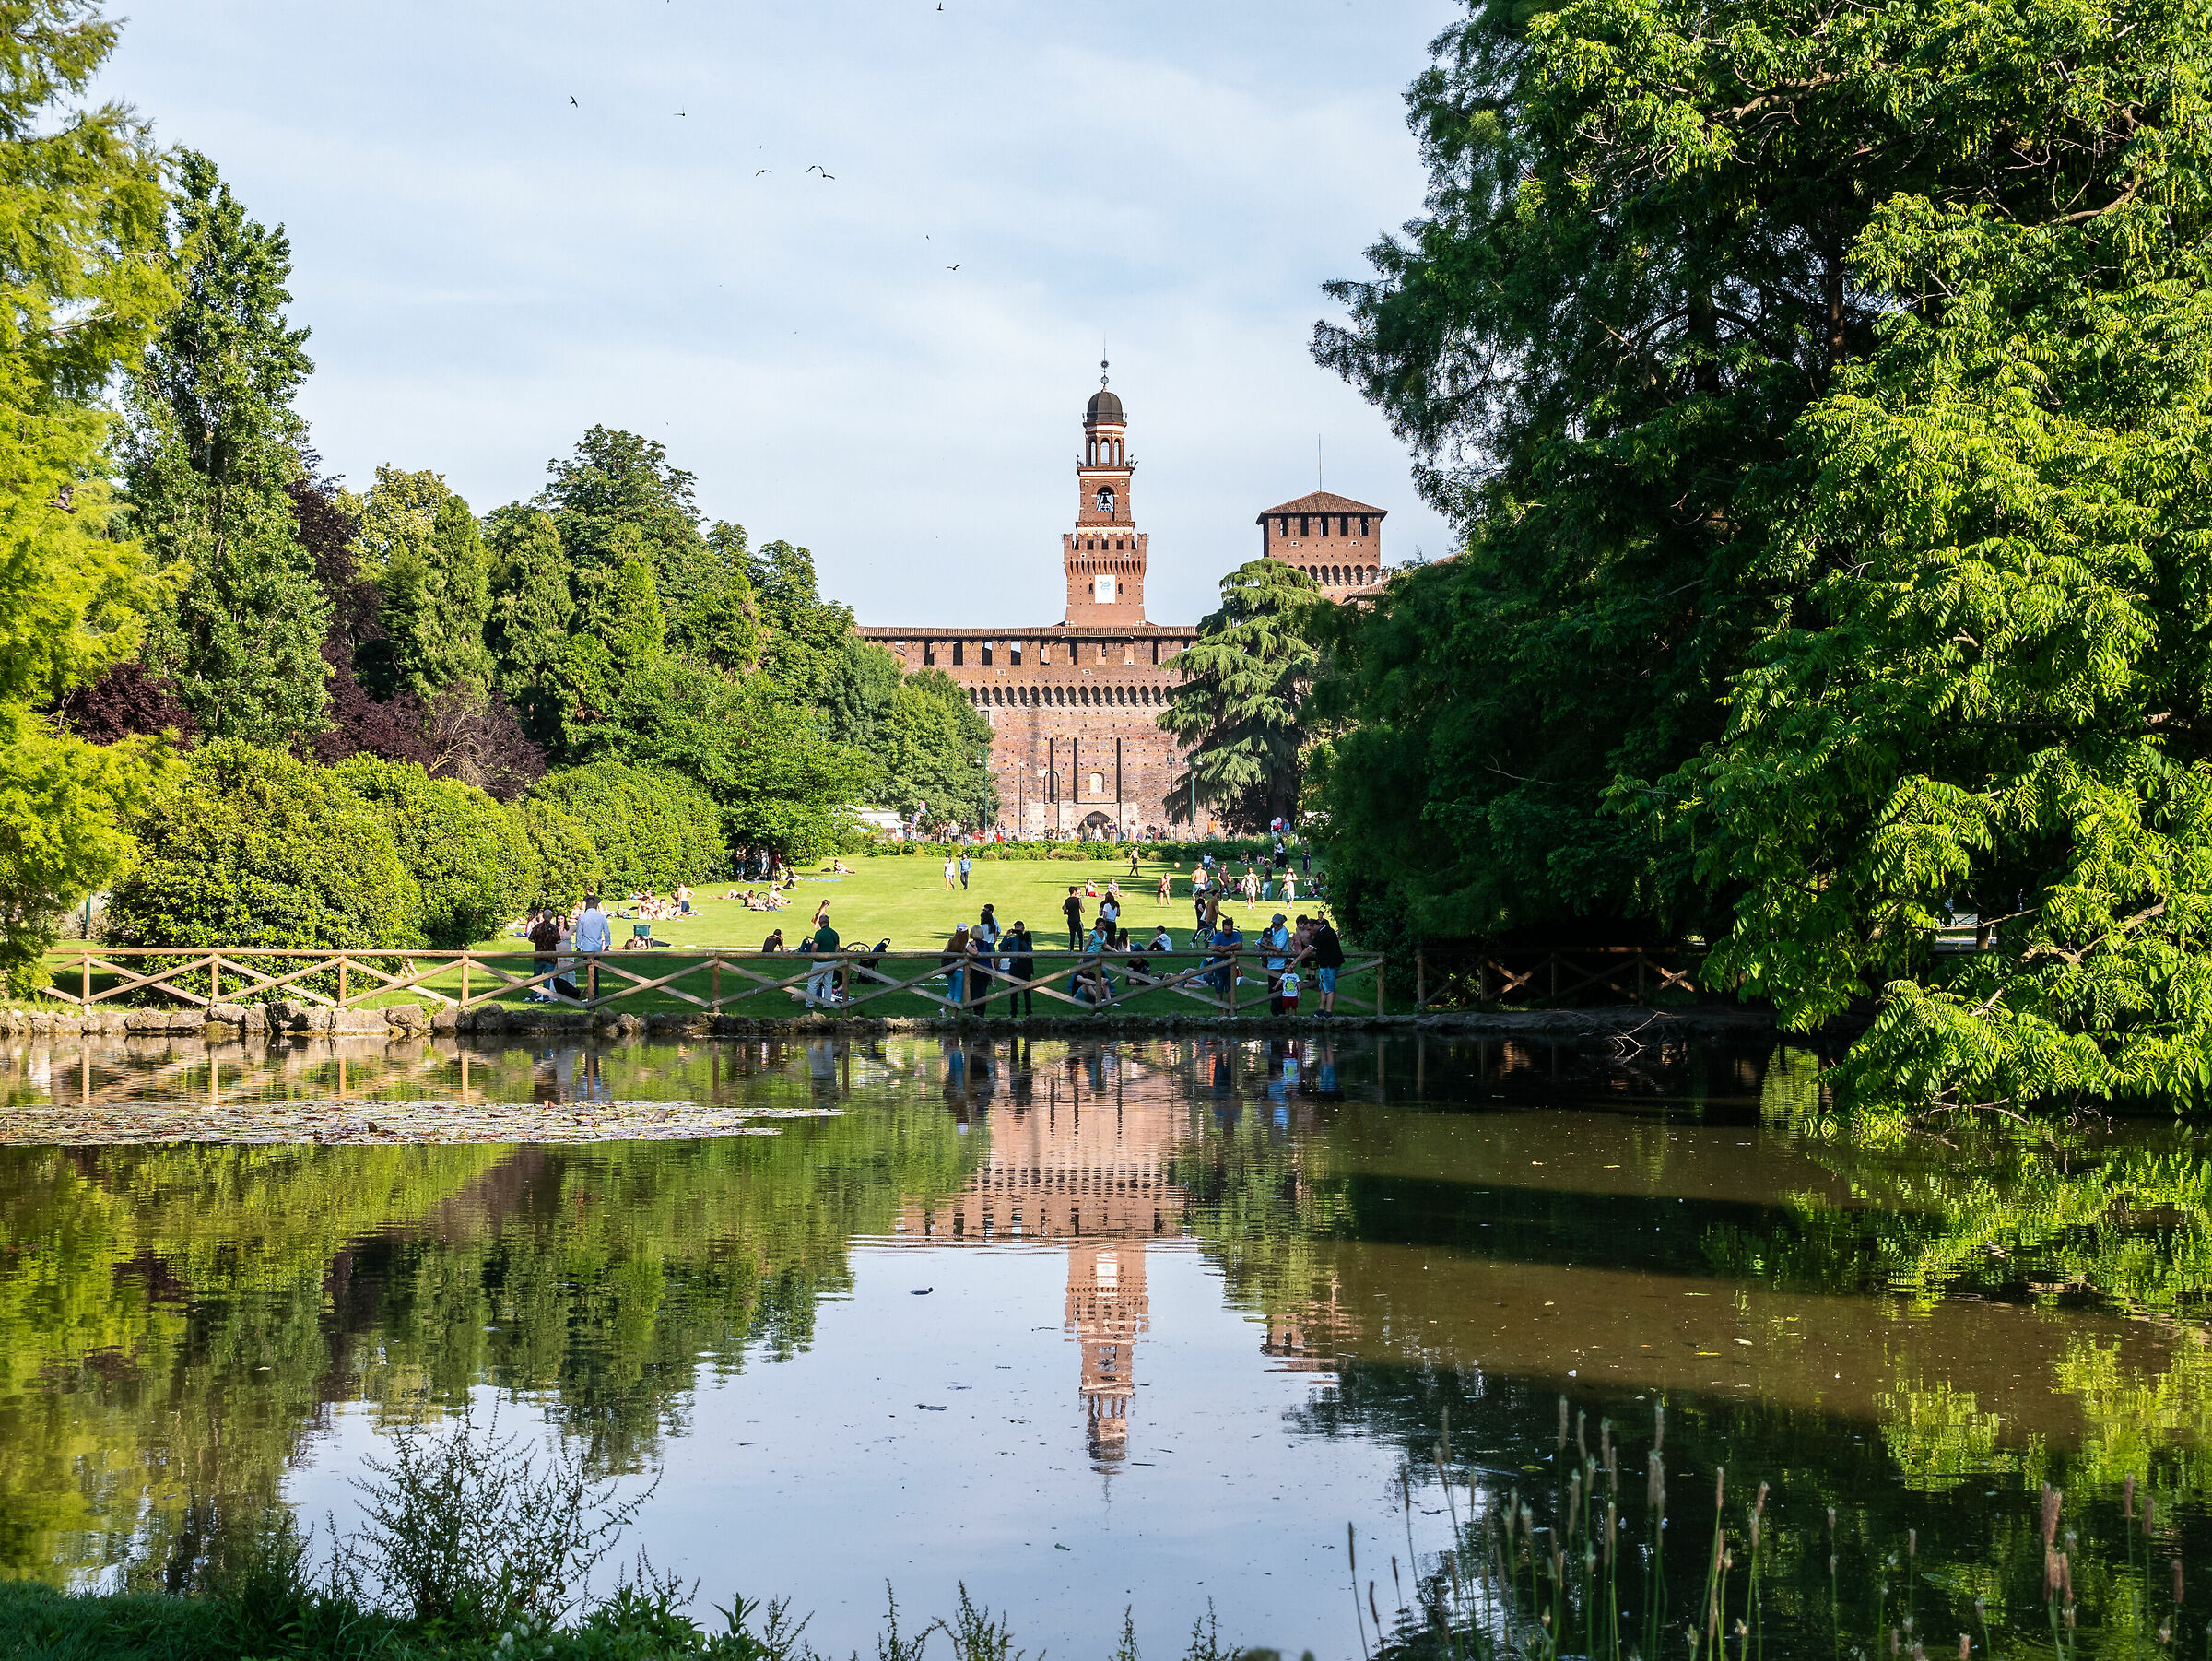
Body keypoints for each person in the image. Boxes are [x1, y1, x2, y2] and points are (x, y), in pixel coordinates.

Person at [575, 893, 613, 1001]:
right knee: (595, 971)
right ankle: (594, 993)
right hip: (597, 947)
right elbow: (607, 932)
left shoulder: (582, 917)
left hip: (586, 947)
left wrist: (578, 946)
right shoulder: (601, 917)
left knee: (589, 971)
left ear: (587, 905)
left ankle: (592, 994)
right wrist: (607, 945)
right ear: (596, 905)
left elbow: (579, 933)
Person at [1310, 913, 1345, 1016]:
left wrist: (1296, 960)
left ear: (1315, 925)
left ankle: (1328, 1012)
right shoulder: (1326, 930)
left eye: (1309, 929)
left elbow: (1309, 949)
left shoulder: (1323, 933)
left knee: (1329, 989)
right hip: (1327, 963)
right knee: (1323, 988)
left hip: (1329, 964)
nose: (1309, 932)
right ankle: (1321, 1010)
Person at [806, 908, 841, 1007]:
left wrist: (813, 957)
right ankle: (827, 1004)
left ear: (819, 923)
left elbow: (814, 947)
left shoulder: (819, 933)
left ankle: (810, 1003)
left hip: (820, 961)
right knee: (828, 983)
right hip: (832, 961)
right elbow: (837, 947)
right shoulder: (834, 933)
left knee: (813, 983)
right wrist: (833, 955)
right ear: (828, 922)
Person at [526, 907, 560, 1001]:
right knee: (547, 977)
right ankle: (546, 997)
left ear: (543, 917)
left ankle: (533, 996)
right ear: (551, 917)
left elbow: (530, 938)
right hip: (550, 956)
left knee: (536, 976)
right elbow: (558, 940)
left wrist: (539, 942)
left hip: (539, 955)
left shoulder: (537, 927)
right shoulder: (554, 928)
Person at [1262, 913, 1293, 1012]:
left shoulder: (1283, 932)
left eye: (1277, 924)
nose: (1275, 926)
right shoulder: (1272, 931)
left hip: (1280, 965)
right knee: (1272, 989)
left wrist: (1266, 946)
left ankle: (1280, 1013)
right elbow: (1262, 940)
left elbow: (1279, 949)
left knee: (1279, 991)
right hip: (1271, 964)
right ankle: (1274, 1012)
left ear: (1281, 923)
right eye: (1273, 924)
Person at [1005, 919, 1036, 1019]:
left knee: (1027, 991)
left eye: (1019, 927)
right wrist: (1006, 936)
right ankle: (1013, 1012)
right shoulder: (1013, 939)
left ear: (1023, 928)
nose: (1017, 929)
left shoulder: (1028, 938)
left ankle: (1028, 1012)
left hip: (1026, 967)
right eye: (1016, 927)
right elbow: (1002, 947)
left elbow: (1027, 949)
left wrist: (1021, 938)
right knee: (1013, 991)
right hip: (1015, 966)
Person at [943, 925, 971, 1011]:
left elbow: (945, 952)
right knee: (958, 994)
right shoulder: (965, 944)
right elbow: (975, 952)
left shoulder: (950, 942)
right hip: (960, 971)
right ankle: (954, 1015)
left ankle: (943, 1009)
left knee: (951, 991)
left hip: (950, 970)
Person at [1063, 886, 1086, 952]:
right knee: (1081, 936)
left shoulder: (1066, 901)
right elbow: (1082, 910)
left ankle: (1071, 950)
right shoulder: (1078, 900)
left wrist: (1069, 912)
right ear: (1074, 892)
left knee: (1072, 936)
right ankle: (1081, 950)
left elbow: (1065, 912)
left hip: (1070, 920)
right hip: (1077, 920)